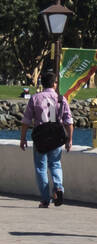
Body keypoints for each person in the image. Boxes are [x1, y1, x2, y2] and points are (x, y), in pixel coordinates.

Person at [19, 69, 74, 208]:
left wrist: (23, 138)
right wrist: (69, 140)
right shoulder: (61, 99)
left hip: (41, 136)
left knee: (41, 168)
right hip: (56, 135)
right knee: (55, 164)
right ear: (54, 84)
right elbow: (69, 122)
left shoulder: (35, 98)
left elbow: (26, 121)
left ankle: (45, 199)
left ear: (42, 83)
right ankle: (59, 187)